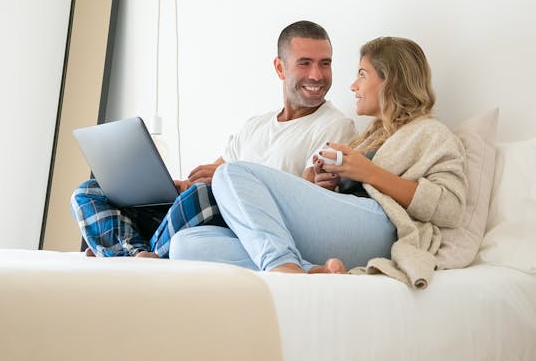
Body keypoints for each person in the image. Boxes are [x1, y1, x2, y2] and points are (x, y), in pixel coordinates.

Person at [168, 36, 468, 276]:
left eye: (362, 75)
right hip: (344, 228)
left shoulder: (431, 133)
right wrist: (320, 181)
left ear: (391, 81)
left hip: (382, 228)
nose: (353, 85)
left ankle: (282, 266)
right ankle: (310, 271)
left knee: (231, 173)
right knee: (186, 245)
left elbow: (450, 208)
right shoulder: (370, 136)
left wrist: (367, 172)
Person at [70, 20, 357, 258]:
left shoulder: (335, 126)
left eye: (325, 64)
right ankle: (135, 253)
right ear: (280, 68)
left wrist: (213, 184)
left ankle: (127, 252)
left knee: (204, 195)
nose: (317, 75)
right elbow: (213, 172)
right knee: (90, 191)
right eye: (305, 63)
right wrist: (181, 185)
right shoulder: (255, 126)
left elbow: (306, 202)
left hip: (243, 222)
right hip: (201, 209)